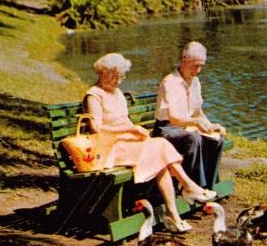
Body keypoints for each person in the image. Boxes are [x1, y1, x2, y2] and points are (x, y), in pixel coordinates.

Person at [84, 53, 216, 233]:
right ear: (102, 73)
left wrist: (136, 130)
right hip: (109, 148)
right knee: (160, 147)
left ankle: (173, 213)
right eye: (114, 76)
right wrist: (129, 130)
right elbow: (96, 129)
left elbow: (124, 121)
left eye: (121, 77)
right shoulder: (94, 95)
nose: (118, 81)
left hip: (126, 143)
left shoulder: (117, 93)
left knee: (159, 151)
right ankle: (188, 187)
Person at [154, 41, 226, 190]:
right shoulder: (170, 82)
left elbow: (198, 112)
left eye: (201, 66)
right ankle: (194, 188)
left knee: (217, 139)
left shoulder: (195, 82)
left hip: (186, 128)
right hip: (167, 130)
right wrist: (196, 123)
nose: (198, 70)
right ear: (184, 60)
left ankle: (209, 186)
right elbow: (173, 118)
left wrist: (212, 125)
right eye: (195, 65)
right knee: (193, 138)